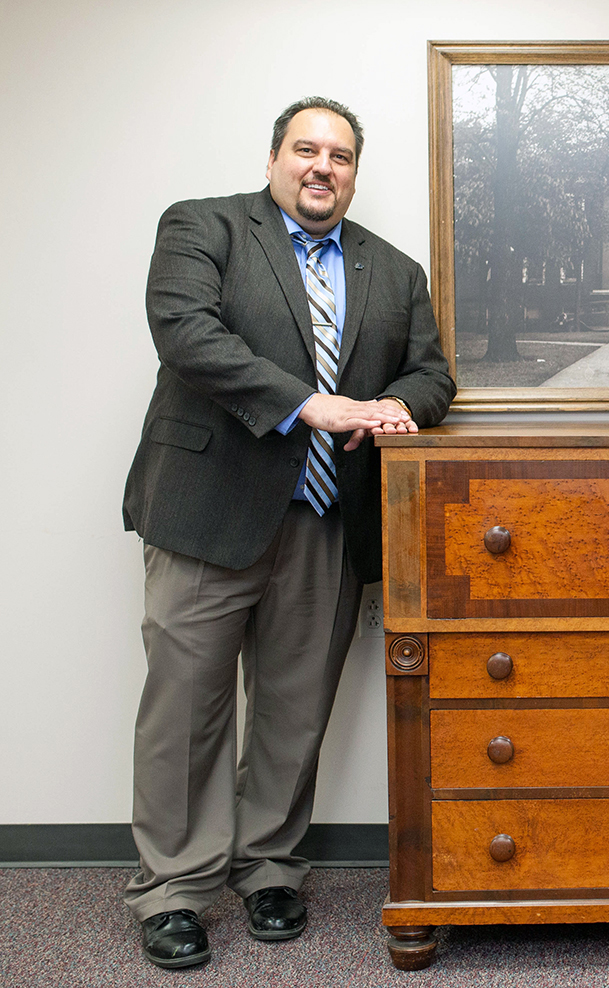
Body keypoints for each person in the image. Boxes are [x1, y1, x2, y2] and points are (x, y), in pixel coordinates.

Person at [121, 96, 456, 968]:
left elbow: (432, 375)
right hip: (207, 511)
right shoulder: (204, 228)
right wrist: (309, 404)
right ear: (274, 157)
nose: (322, 167)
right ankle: (175, 889)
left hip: (324, 518)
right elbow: (185, 334)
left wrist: (391, 405)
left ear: (354, 172)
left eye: (340, 156)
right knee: (185, 707)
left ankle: (268, 865)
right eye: (306, 149)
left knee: (294, 708)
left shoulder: (396, 271)